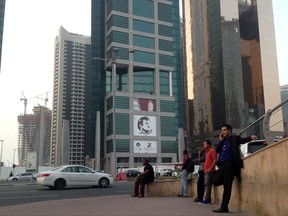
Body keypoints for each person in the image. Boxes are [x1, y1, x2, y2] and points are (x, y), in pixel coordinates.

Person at [213, 124, 257, 213]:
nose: (223, 132)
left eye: (224, 130)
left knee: (227, 187)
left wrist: (251, 137)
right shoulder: (223, 141)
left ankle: (224, 207)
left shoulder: (234, 138)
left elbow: (243, 140)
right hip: (222, 166)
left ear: (230, 131)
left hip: (230, 165)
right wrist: (221, 140)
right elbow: (217, 150)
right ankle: (229, 178)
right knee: (216, 181)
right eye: (222, 130)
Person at [200, 139, 217, 204]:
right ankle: (208, 199)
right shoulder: (206, 152)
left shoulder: (212, 151)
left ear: (209, 145)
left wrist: (210, 168)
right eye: (203, 144)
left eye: (205, 144)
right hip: (206, 171)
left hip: (210, 171)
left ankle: (206, 199)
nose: (204, 145)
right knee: (207, 185)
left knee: (207, 185)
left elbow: (215, 160)